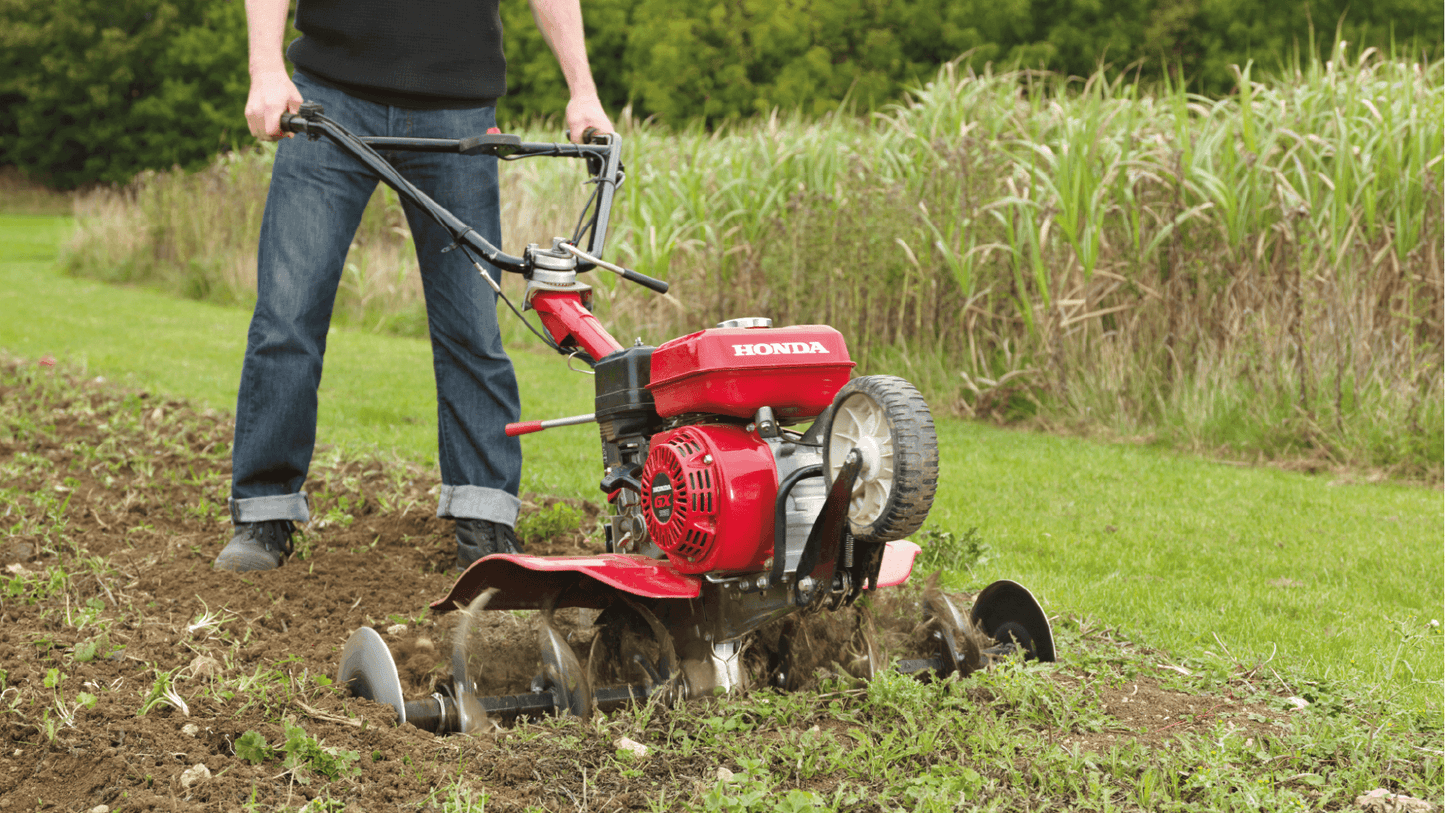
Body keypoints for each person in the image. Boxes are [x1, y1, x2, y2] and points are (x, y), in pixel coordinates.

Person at [214, 0, 613, 572]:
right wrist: (265, 68)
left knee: (472, 326)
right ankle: (263, 514)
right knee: (288, 316)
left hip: (459, 108)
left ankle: (484, 516)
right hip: (329, 99)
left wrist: (583, 91)